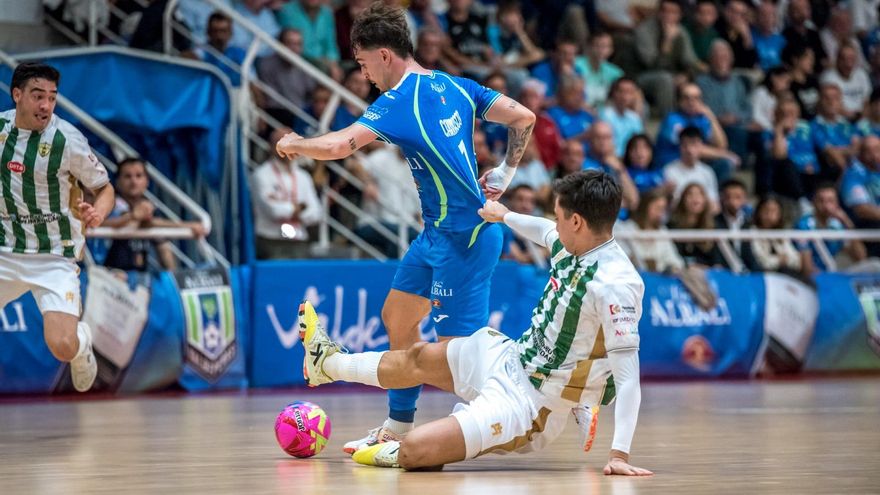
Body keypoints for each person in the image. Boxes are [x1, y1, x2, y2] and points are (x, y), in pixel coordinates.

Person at [275, 3, 536, 454]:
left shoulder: (397, 101)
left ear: (383, 55)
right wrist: (505, 173)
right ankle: (397, 426)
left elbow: (339, 145)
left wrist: (295, 143)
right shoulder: (454, 83)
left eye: (362, 64)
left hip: (465, 240)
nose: (365, 75)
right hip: (434, 234)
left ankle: (533, 401)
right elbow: (524, 117)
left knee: (457, 361)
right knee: (397, 317)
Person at [297, 170, 652, 476]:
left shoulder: (615, 285)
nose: (555, 224)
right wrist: (504, 215)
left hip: (530, 407)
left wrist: (619, 453)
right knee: (420, 355)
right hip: (510, 357)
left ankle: (454, 433)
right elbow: (544, 230)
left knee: (415, 451)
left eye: (560, 217)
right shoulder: (574, 242)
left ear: (577, 221)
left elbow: (627, 376)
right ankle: (325, 363)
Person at [0, 63, 115, 392]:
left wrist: (98, 214)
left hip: (54, 254)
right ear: (17, 95)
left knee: (60, 346)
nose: (46, 106)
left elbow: (105, 188)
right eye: (38, 96)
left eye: (52, 97)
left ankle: (80, 343)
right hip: (4, 250)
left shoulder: (68, 140)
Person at [101, 158, 204, 271]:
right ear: (118, 181)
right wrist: (133, 217)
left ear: (147, 181)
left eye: (139, 176)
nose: (134, 181)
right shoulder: (109, 203)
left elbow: (152, 226)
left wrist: (173, 279)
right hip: (108, 274)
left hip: (139, 278)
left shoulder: (148, 205)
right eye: (127, 176)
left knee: (162, 241)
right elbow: (104, 223)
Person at [252, 128, 323, 259]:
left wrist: (292, 211)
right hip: (270, 239)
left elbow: (316, 213)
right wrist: (299, 208)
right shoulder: (261, 175)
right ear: (272, 147)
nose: (288, 149)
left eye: (292, 144)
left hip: (299, 238)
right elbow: (273, 211)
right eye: (283, 144)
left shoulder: (303, 176)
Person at [795, 183, 866, 276]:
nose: (826, 205)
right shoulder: (804, 225)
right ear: (813, 202)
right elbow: (807, 268)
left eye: (830, 201)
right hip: (816, 280)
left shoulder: (837, 225)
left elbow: (861, 257)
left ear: (837, 203)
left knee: (875, 266)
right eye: (821, 201)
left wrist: (847, 222)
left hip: (836, 274)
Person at [663, 126, 720, 212]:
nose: (689, 150)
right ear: (680, 147)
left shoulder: (708, 172)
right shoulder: (669, 171)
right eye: (685, 145)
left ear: (701, 146)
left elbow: (715, 206)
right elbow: (671, 205)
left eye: (694, 144)